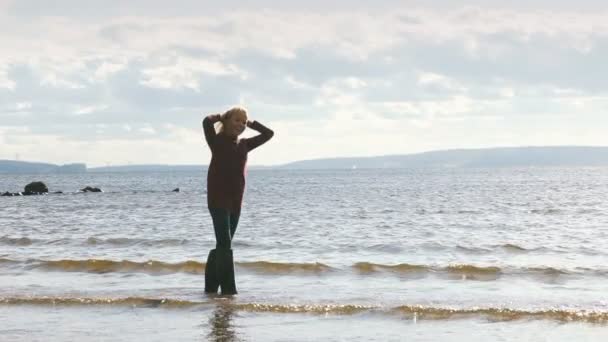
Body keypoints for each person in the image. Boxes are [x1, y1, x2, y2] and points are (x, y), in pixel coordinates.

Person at [202, 107, 274, 295]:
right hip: (218, 198)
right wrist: (219, 116)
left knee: (223, 245)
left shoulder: (244, 145)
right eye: (237, 120)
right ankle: (228, 291)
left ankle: (210, 288)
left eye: (244, 122)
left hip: (236, 201)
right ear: (226, 121)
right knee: (225, 244)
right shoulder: (216, 141)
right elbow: (206, 122)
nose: (241, 125)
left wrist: (252, 124)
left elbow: (268, 134)